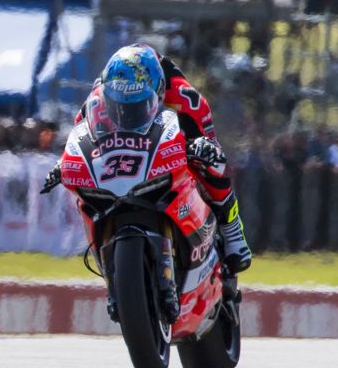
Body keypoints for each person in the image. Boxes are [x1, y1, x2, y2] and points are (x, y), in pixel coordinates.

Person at [47, 43, 252, 274]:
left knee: (213, 166)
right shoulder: (95, 99)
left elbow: (213, 148)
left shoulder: (186, 99)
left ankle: (233, 231)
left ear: (158, 91)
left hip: (167, 143)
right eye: (120, 106)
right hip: (123, 157)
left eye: (136, 105)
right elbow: (82, 138)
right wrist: (61, 163)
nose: (127, 112)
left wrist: (203, 148)